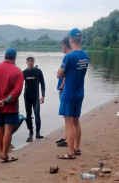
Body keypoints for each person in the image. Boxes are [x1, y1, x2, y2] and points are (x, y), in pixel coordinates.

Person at [0, 47, 24, 163]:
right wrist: (4, 102)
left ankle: (1, 153)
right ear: (15, 57)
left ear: (5, 56)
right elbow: (16, 92)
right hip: (10, 107)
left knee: (0, 129)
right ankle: (4, 155)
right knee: (8, 129)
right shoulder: (18, 72)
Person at [57, 28, 89, 159]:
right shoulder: (85, 55)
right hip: (79, 92)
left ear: (70, 40)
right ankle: (77, 148)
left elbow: (59, 74)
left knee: (69, 123)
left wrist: (64, 71)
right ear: (79, 39)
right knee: (76, 121)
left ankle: (70, 152)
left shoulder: (68, 56)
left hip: (69, 93)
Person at [23, 55, 45, 139]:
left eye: (32, 61)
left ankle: (38, 133)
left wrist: (43, 95)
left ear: (34, 61)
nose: (30, 62)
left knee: (37, 114)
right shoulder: (24, 72)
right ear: (26, 62)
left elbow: (42, 84)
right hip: (27, 97)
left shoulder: (38, 71)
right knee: (28, 115)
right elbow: (18, 84)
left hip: (35, 97)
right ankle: (30, 131)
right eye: (28, 61)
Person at [56, 36, 72, 147]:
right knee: (66, 117)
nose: (61, 48)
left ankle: (67, 140)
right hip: (67, 90)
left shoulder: (68, 58)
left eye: (62, 46)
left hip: (64, 90)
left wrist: (61, 86)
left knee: (67, 116)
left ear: (64, 45)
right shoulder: (71, 57)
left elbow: (63, 75)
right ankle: (65, 137)